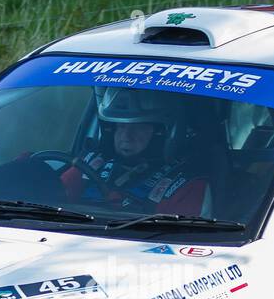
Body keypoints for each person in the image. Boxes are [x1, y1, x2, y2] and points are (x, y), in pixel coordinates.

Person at [60, 87, 218, 216]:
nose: (126, 137)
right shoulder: (90, 165)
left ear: (162, 133)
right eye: (121, 127)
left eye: (139, 127)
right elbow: (54, 194)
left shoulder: (186, 185)